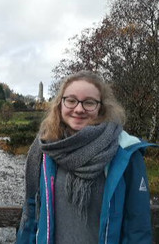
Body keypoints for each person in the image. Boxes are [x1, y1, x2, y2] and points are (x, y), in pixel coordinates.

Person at [16, 70, 155, 244]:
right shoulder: (45, 149)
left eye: (89, 103)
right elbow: (31, 212)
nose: (79, 109)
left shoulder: (125, 152)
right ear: (60, 104)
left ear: (101, 108)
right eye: (71, 100)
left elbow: (137, 227)